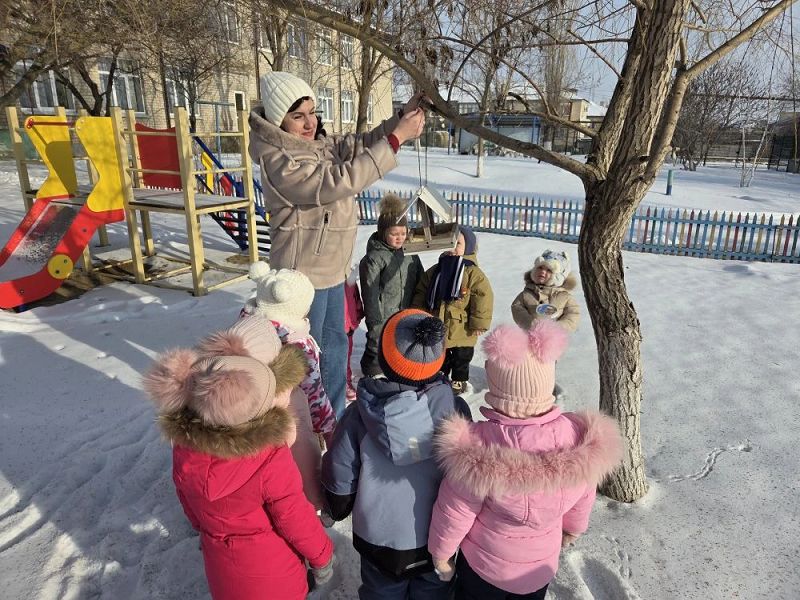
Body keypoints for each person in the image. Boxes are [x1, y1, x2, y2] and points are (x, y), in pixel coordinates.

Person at [249, 72, 427, 419]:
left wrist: (401, 118)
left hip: (332, 269)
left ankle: (333, 417)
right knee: (306, 354)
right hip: (302, 277)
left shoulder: (318, 145)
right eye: (297, 116)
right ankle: (304, 421)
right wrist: (396, 139)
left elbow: (363, 143)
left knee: (334, 346)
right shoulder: (280, 160)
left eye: (312, 113)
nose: (310, 123)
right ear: (278, 119)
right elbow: (334, 182)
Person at [426, 320, 624, 600]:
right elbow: (584, 494)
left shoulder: (479, 447)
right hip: (538, 569)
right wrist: (573, 529)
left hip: (484, 568)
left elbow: (455, 510)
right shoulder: (578, 439)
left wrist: (442, 555)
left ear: (497, 387)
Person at [142, 316, 335, 600]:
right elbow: (294, 517)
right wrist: (323, 557)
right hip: (276, 576)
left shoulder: (185, 450)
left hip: (222, 573)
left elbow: (188, 501)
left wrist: (204, 529)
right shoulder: (269, 459)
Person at [322, 309, 471, 600]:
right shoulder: (456, 411)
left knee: (381, 592)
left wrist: (336, 507)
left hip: (379, 539)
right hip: (438, 537)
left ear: (385, 358)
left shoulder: (358, 417)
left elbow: (341, 473)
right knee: (433, 592)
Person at [242, 263, 335, 510]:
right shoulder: (298, 344)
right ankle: (314, 502)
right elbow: (313, 391)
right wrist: (327, 425)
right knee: (304, 459)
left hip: (251, 413)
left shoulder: (245, 327)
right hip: (290, 413)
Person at [412, 225, 493, 394]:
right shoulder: (437, 270)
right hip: (438, 322)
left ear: (468, 247)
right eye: (451, 243)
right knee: (439, 354)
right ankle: (439, 375)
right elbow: (422, 290)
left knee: (461, 357)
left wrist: (479, 323)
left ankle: (459, 380)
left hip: (462, 328)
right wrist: (418, 313)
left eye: (458, 244)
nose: (453, 248)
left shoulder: (472, 273)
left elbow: (483, 298)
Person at [359, 192, 423, 377]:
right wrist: (374, 317)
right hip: (382, 311)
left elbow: (420, 278)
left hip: (405, 307)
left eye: (403, 233)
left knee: (401, 340)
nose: (399, 238)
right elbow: (370, 290)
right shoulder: (374, 258)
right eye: (394, 234)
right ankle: (372, 370)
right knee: (377, 340)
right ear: (383, 233)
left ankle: (395, 366)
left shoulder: (410, 253)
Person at [511, 249, 580, 332]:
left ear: (558, 276)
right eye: (540, 268)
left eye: (549, 270)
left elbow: (573, 314)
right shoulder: (527, 293)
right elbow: (517, 307)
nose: (543, 272)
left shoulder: (564, 296)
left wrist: (559, 327)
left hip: (554, 337)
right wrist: (530, 323)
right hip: (530, 334)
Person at [344, 263, 365, 402]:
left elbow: (356, 299)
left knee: (346, 355)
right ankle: (342, 383)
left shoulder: (350, 280)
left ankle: (346, 381)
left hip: (349, 325)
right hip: (336, 326)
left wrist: (358, 314)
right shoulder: (330, 283)